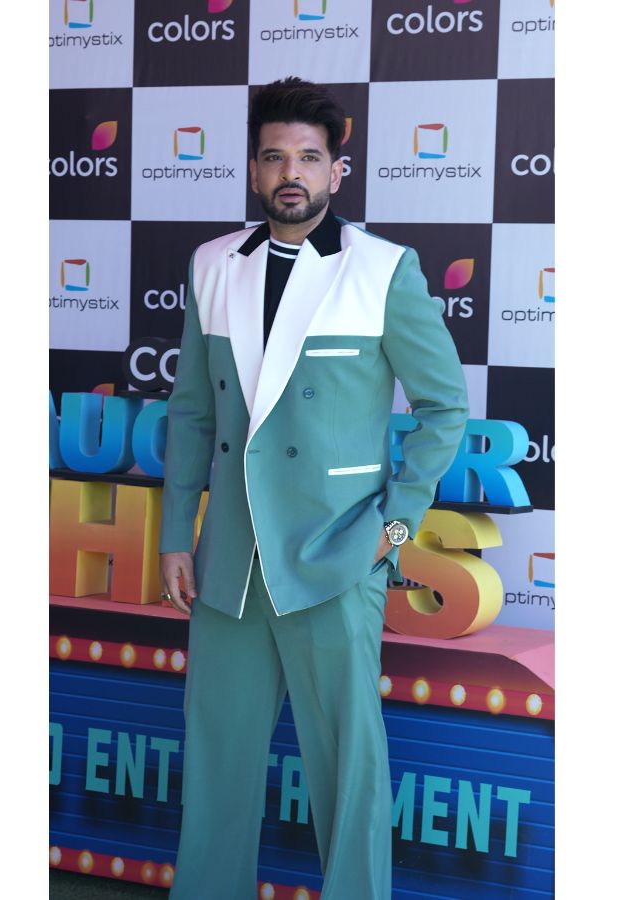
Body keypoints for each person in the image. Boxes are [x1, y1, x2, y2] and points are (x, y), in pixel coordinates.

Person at [158, 76, 469, 899]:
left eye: (307, 156)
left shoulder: (383, 270)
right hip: (231, 562)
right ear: (253, 170)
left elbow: (444, 408)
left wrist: (392, 530)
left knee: (348, 770)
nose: (289, 172)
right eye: (273, 157)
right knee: (216, 763)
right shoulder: (212, 265)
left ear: (337, 169)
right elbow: (191, 412)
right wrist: (174, 535)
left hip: (338, 553)